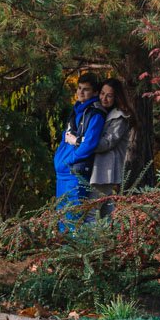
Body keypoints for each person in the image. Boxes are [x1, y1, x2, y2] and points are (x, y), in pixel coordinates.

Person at [52, 73, 106, 228]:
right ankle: (63, 251)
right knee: (62, 219)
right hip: (63, 173)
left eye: (86, 90)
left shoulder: (95, 114)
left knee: (72, 219)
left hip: (75, 173)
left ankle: (73, 251)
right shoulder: (77, 110)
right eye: (79, 88)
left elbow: (89, 144)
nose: (81, 92)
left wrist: (69, 159)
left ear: (95, 92)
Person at [92, 78, 134, 218]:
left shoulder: (120, 117)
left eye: (109, 95)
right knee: (107, 213)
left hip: (104, 172)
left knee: (90, 212)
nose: (104, 98)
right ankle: (115, 237)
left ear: (117, 97)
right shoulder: (104, 112)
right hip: (101, 171)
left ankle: (85, 240)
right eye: (102, 93)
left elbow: (107, 143)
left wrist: (82, 143)